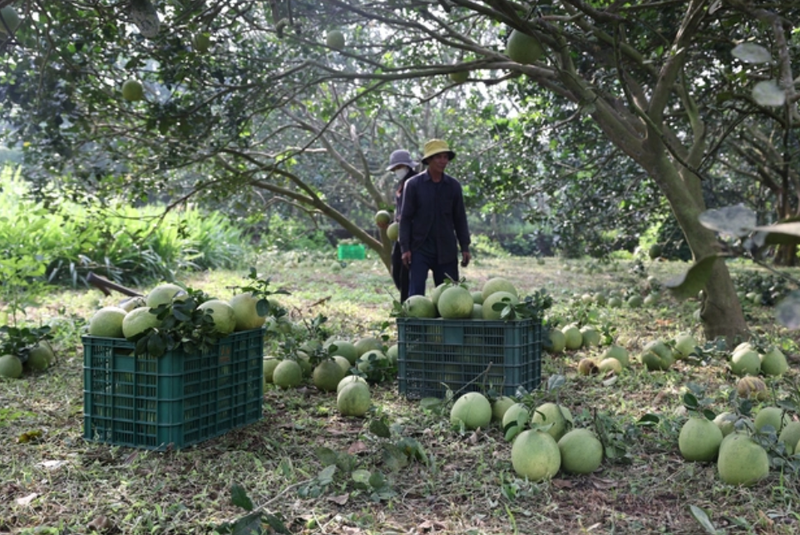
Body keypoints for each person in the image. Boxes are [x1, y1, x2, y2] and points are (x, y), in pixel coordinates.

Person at [399, 139, 471, 297]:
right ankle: (415, 322)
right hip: (420, 248)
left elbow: (460, 218)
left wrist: (465, 246)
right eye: (438, 157)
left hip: (446, 249)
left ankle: (445, 323)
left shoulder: (453, 186)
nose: (443, 161)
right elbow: (405, 218)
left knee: (450, 296)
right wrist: (405, 248)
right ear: (429, 160)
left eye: (445, 157)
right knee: (416, 294)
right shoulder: (413, 185)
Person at [382, 149, 418, 302]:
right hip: (401, 233)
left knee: (404, 273)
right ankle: (407, 301)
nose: (397, 171)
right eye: (395, 169)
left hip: (412, 234)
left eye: (399, 167)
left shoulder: (415, 182)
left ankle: (408, 304)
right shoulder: (402, 184)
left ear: (408, 166)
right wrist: (390, 224)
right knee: (397, 269)